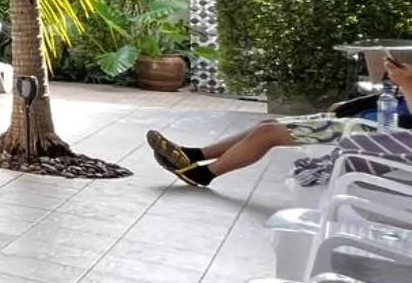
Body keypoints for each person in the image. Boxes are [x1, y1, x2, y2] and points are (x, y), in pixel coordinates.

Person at [148, 59, 412, 186]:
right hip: (370, 118)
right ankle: (193, 155)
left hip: (381, 133)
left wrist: (406, 82)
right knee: (269, 125)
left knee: (269, 133)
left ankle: (203, 173)